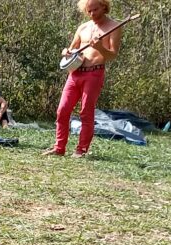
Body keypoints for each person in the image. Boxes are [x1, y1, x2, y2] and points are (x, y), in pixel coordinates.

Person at [44, 0, 124, 158]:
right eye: (89, 11)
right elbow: (72, 48)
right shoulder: (83, 27)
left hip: (94, 73)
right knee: (62, 110)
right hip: (74, 73)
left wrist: (100, 47)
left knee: (86, 112)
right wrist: (66, 51)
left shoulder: (114, 26)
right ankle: (59, 148)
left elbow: (113, 55)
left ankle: (81, 150)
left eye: (95, 9)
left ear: (104, 6)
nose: (92, 13)